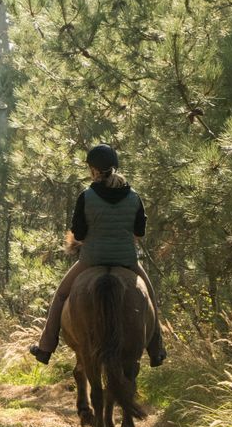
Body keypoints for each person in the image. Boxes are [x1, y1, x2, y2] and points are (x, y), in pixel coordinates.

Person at [28, 144, 165, 367]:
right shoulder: (133, 196)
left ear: (93, 170)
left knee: (61, 295)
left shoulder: (87, 196)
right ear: (115, 167)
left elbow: (79, 232)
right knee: (149, 294)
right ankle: (156, 350)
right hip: (127, 261)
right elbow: (139, 232)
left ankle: (45, 347)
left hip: (91, 259)